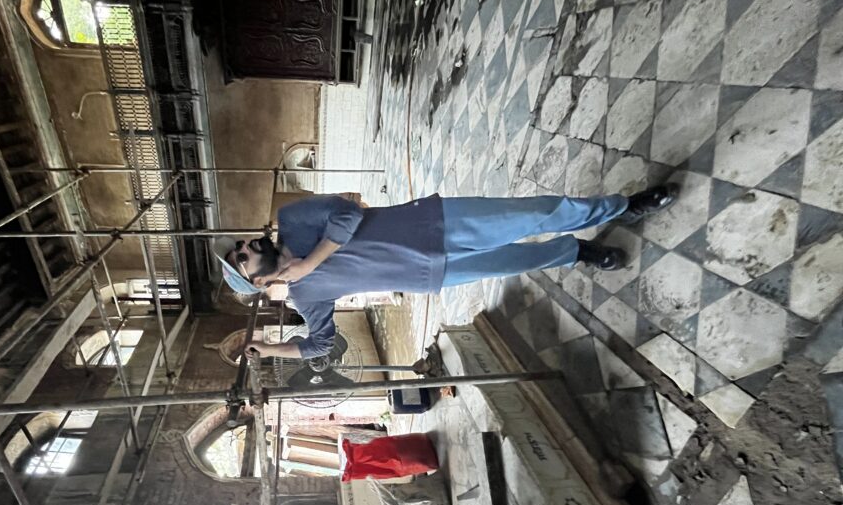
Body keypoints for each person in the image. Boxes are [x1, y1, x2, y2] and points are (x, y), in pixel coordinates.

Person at [214, 188, 677, 360]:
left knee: (535, 213)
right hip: (431, 272)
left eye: (239, 245)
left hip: (433, 222)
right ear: (257, 283)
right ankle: (578, 252)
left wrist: (310, 259)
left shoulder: (296, 218)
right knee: (519, 260)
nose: (246, 246)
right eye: (241, 258)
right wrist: (269, 348)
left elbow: (347, 212)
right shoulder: (305, 300)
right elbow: (319, 344)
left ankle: (624, 206)